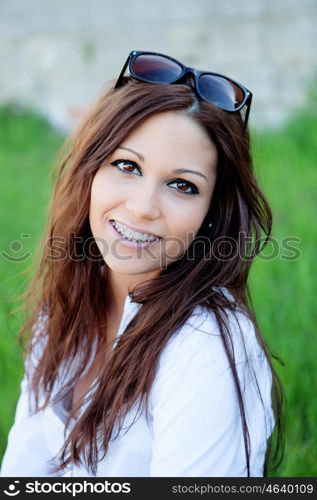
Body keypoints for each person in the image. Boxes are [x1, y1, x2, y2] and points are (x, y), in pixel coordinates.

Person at [1, 50, 284, 477]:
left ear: (213, 211)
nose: (142, 207)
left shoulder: (205, 348)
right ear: (90, 170)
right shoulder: (69, 299)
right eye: (127, 165)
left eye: (182, 185)